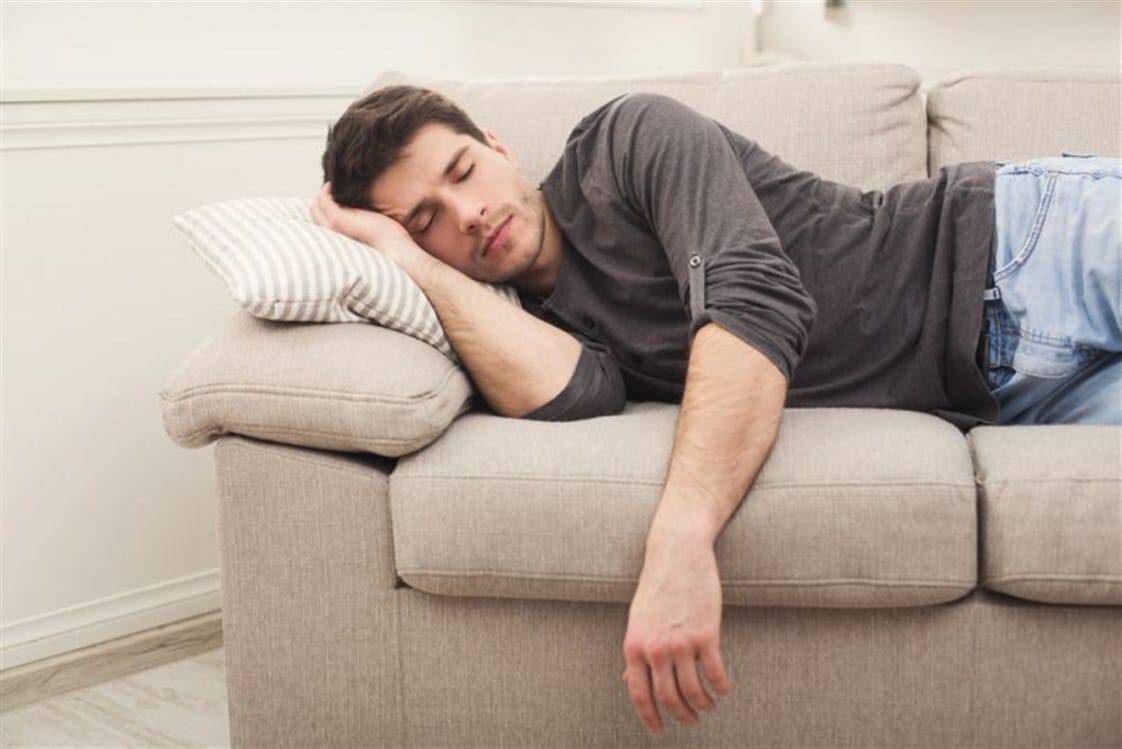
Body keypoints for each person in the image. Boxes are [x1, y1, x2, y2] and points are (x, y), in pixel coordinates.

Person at [311, 84, 1121, 736]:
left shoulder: (625, 142)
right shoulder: (529, 328)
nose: (468, 215)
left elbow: (757, 300)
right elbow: (572, 396)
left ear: (498, 147)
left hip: (1030, 240)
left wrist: (680, 541)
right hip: (1014, 392)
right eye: (428, 221)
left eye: (462, 173)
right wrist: (407, 260)